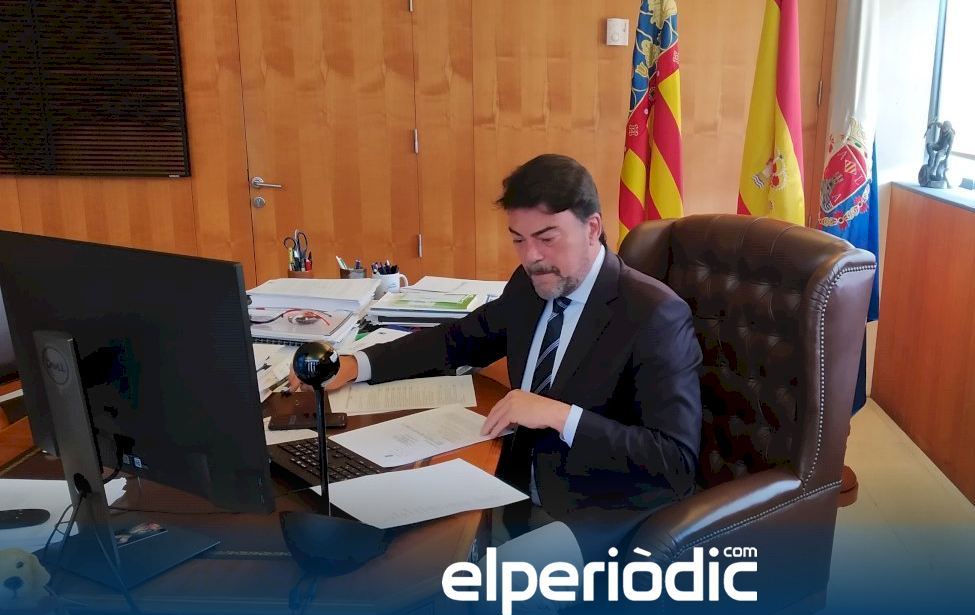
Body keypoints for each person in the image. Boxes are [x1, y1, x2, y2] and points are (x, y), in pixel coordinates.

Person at [290, 154, 702, 562]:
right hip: (512, 486)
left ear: (592, 228)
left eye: (546, 238)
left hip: (599, 512)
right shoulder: (531, 285)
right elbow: (457, 340)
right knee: (390, 544)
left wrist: (561, 415)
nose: (531, 256)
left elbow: (675, 462)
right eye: (518, 239)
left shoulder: (653, 314)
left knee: (476, 582)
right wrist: (357, 365)